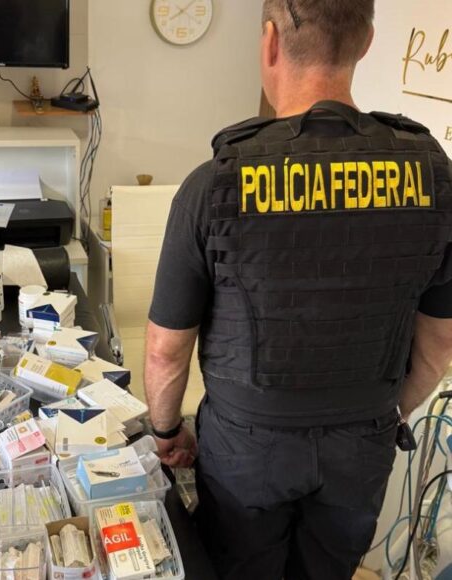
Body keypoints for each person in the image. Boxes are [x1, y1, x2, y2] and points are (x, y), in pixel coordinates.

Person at [144, 1, 452, 578]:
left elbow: (166, 351)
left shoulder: (215, 183)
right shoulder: (434, 176)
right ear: (365, 43)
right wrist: (384, 413)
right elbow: (438, 346)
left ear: (270, 42)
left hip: (245, 452)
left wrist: (166, 431)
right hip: (360, 447)